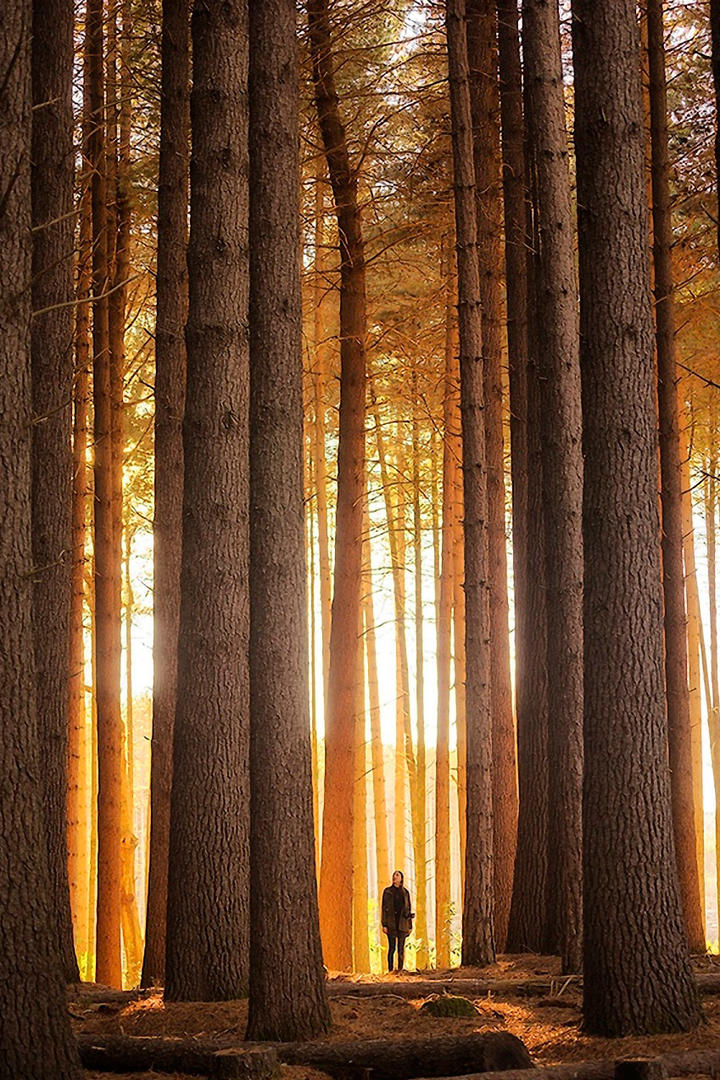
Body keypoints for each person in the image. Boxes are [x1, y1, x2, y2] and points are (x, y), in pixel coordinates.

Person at [381, 870, 413, 973]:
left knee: (401, 949)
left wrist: (409, 926)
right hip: (391, 924)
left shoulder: (405, 893)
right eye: (394, 875)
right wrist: (384, 924)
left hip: (402, 924)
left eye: (397, 875)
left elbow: (408, 909)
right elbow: (384, 908)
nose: (395, 877)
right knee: (392, 948)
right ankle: (390, 970)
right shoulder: (387, 892)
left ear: (401, 878)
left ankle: (400, 969)